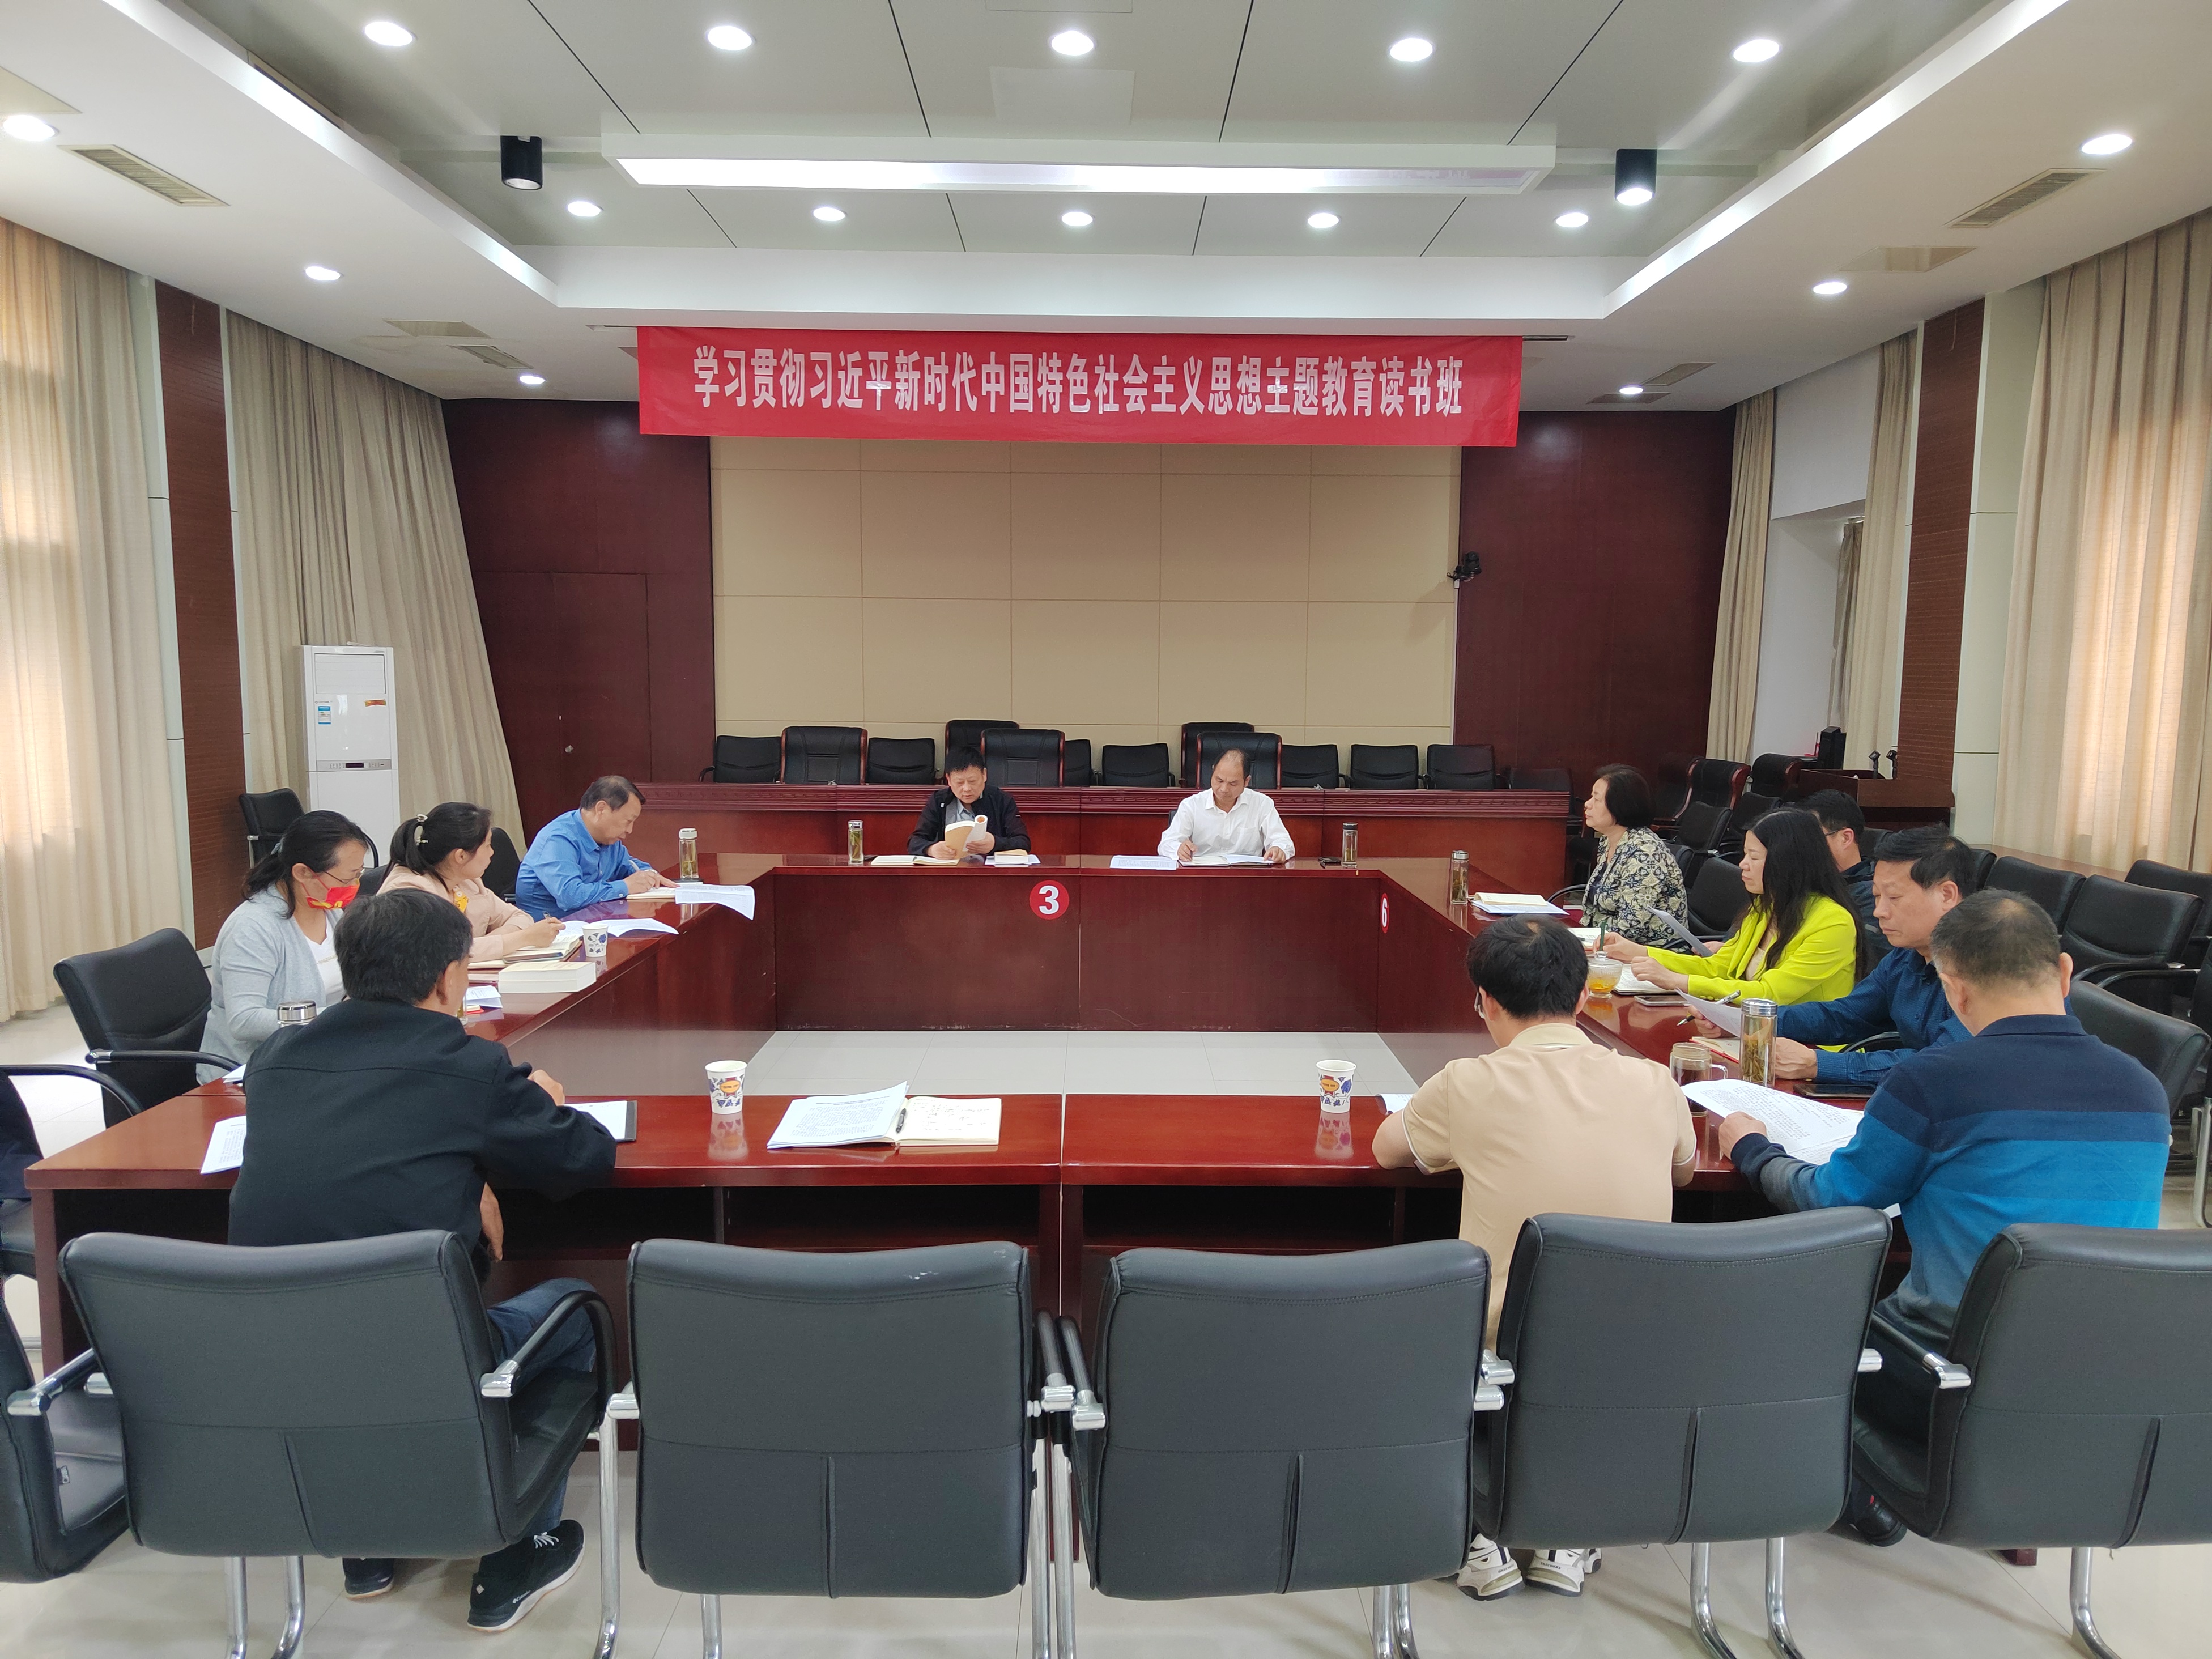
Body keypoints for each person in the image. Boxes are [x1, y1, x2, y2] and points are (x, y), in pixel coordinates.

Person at [1714, 890, 2167, 1546]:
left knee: (1773, 1303)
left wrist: (1754, 1149)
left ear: (1953, 990)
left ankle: (1856, 1492)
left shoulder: (1937, 1081)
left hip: (1938, 1378)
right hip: (2101, 1384)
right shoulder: (2144, 1090)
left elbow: (1834, 1200)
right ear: (2065, 972)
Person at [229, 887, 618, 1627]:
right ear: (447, 978)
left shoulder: (276, 1060)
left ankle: (370, 1544)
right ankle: (516, 1548)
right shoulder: (466, 1066)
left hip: (284, 1363)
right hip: (424, 1357)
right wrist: (537, 1100)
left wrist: (467, 1175)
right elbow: (583, 1159)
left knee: (357, 1333)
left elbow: (358, 1152)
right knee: (574, 1317)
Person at [1375, 916, 1695, 1601]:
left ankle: (1474, 1536)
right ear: (1581, 999)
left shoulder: (1467, 1083)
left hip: (1506, 1340)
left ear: (1485, 1003)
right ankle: (1566, 1528)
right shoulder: (1653, 1082)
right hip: (1637, 1341)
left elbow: (1387, 1150)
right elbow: (1685, 1169)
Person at [1768, 826, 1977, 1088]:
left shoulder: (1985, 968)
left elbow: (1942, 1064)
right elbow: (1845, 1016)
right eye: (1877, 896)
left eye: (1894, 897)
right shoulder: (1904, 957)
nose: (1879, 911)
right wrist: (1757, 1020)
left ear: (1947, 895)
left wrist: (1816, 1064)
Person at [1602, 808, 1857, 1006]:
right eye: (1745, 855)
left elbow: (1769, 995)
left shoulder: (1833, 923)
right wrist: (1642, 953)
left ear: (1788, 862)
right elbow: (1719, 967)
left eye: (1754, 857)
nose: (1743, 864)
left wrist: (1678, 981)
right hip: (1749, 1027)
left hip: (1807, 1045)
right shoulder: (1766, 908)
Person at [205, 810, 373, 1075]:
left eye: (358, 874)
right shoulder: (252, 928)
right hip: (257, 1070)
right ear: (303, 872)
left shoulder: (330, 911)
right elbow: (244, 1020)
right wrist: (336, 1019)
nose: (354, 885)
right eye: (346, 878)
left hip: (317, 1056)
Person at [380, 802, 562, 960]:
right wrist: (521, 939)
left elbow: (519, 917)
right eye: (487, 845)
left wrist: (479, 946)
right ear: (460, 856)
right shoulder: (409, 892)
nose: (492, 852)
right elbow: (443, 955)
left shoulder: (467, 881)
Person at [513, 776, 661, 918]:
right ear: (602, 809)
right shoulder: (558, 839)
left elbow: (628, 865)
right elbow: (571, 896)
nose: (630, 830)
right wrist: (625, 886)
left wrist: (649, 875)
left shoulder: (607, 838)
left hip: (596, 920)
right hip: (554, 928)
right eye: (628, 821)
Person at [1577, 764, 1689, 947]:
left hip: (1652, 952)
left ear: (1620, 806)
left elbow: (1630, 928)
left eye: (1596, 799)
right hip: (1606, 942)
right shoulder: (1610, 840)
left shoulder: (1645, 854)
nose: (1587, 804)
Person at [1158, 748, 1294, 865]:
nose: (1224, 789)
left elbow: (1283, 841)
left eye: (1233, 784)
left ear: (1246, 781)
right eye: (1219, 780)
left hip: (1247, 876)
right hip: (1203, 876)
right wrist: (1178, 848)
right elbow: (1166, 844)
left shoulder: (1262, 804)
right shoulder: (1192, 805)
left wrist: (1279, 849)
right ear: (1213, 772)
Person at [907, 747, 1033, 858]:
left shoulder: (1002, 800)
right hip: (951, 870)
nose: (967, 789)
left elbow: (1023, 842)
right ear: (949, 780)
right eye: (960, 783)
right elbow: (914, 841)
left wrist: (995, 843)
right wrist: (931, 849)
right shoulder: (939, 800)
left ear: (984, 775)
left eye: (972, 781)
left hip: (990, 872)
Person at [1802, 789, 1878, 930]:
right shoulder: (1808, 880)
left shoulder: (1874, 895)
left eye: (1812, 838)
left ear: (1845, 838)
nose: (1803, 846)